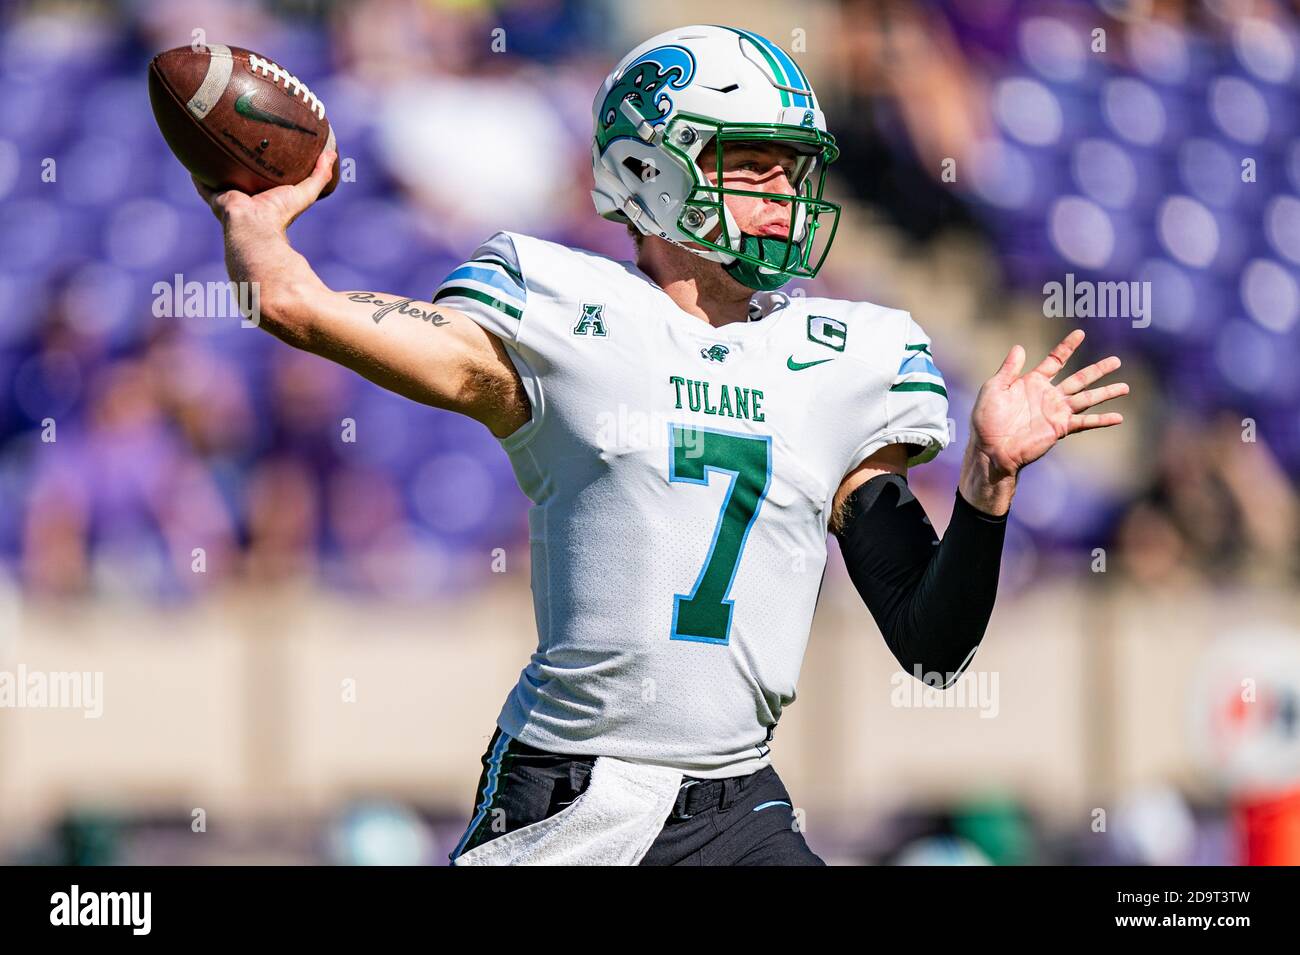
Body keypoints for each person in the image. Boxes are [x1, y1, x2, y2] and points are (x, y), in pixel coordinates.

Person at [194, 25, 1128, 865]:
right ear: (650, 168)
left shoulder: (844, 360)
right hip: (572, 797)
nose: (781, 196)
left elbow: (932, 644)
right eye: (750, 165)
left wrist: (987, 481)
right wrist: (262, 235)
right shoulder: (564, 311)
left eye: (791, 171)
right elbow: (297, 306)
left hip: (739, 805)